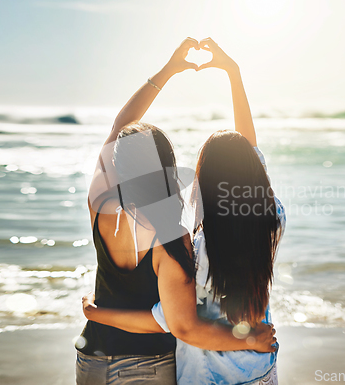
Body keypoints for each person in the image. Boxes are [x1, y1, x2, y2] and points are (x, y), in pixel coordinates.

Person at [82, 37, 286, 385]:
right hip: (240, 367)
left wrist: (97, 314)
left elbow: (120, 128)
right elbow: (250, 151)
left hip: (99, 359)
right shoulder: (270, 219)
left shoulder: (101, 206)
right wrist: (233, 73)